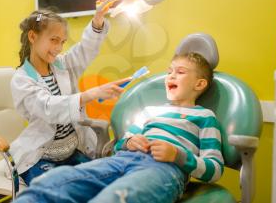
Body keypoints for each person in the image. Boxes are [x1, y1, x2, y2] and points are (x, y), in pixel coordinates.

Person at [12, 52, 224, 203]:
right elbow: (121, 144)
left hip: (163, 170)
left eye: (180, 72)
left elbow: (214, 168)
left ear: (199, 84)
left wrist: (178, 155)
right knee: (53, 183)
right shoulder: (149, 111)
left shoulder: (205, 117)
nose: (171, 76)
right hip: (119, 161)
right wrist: (130, 142)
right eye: (170, 71)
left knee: (115, 197)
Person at [9, 0, 131, 186]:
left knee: (102, 181)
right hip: (40, 158)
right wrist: (91, 94)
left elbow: (85, 50)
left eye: (62, 42)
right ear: (33, 37)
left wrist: (98, 19)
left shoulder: (62, 65)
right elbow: (49, 108)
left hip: (72, 153)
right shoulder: (21, 80)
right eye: (53, 40)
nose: (58, 48)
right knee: (57, 190)